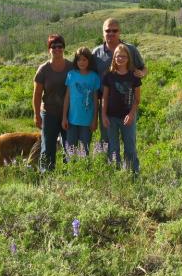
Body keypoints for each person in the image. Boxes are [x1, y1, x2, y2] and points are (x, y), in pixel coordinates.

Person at [92, 18, 147, 144]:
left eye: (114, 30)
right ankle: (109, 163)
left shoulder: (130, 49)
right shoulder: (96, 53)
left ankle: (129, 164)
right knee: (106, 140)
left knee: (129, 140)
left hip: (127, 103)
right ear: (103, 33)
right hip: (106, 104)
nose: (111, 33)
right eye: (107, 30)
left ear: (119, 32)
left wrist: (142, 73)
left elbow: (143, 67)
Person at [33, 34, 73, 171]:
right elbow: (37, 94)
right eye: (53, 46)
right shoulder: (43, 69)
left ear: (64, 48)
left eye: (60, 46)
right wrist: (37, 115)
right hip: (49, 114)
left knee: (70, 146)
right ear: (49, 49)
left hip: (68, 114)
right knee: (48, 147)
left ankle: (70, 174)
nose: (57, 49)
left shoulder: (71, 67)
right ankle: (47, 175)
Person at [101, 44, 142, 175]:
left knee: (130, 146)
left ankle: (133, 173)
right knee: (113, 147)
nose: (121, 59)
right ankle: (115, 174)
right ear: (114, 58)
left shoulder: (134, 76)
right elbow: (105, 97)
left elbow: (137, 99)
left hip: (127, 117)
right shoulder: (109, 76)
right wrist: (103, 115)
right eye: (118, 56)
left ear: (128, 58)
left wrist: (131, 114)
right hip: (111, 117)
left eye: (124, 56)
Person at [62, 47, 101, 157]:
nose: (82, 62)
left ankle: (84, 171)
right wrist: (64, 117)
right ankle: (71, 171)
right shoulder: (71, 74)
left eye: (84, 59)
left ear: (89, 60)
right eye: (79, 59)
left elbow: (95, 100)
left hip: (87, 122)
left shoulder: (94, 77)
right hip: (72, 120)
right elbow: (67, 98)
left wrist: (95, 120)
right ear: (76, 61)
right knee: (71, 150)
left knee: (85, 151)